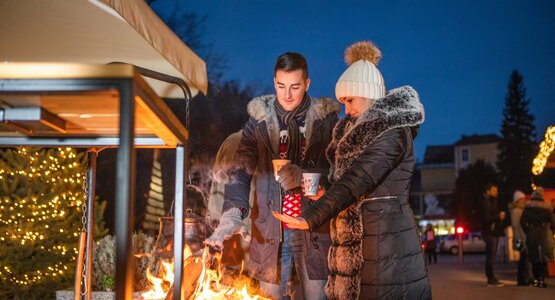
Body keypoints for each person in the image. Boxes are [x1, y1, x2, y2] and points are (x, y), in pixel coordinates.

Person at [274, 41, 431, 299]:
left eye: (350, 100)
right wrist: (324, 193)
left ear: (368, 94)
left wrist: (312, 216)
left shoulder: (393, 133)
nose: (346, 109)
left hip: (386, 250)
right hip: (364, 249)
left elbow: (356, 180)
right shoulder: (354, 135)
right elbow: (347, 185)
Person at [205, 52, 340, 299]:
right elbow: (240, 169)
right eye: (281, 86)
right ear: (274, 82)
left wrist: (310, 176)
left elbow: (339, 171)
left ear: (307, 84)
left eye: (295, 87)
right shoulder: (258, 124)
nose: (287, 95)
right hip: (270, 232)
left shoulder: (326, 123)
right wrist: (233, 214)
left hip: (314, 231)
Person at [520, 187, 555, 288]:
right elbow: (553, 223)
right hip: (544, 233)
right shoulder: (547, 209)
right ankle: (541, 280)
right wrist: (551, 230)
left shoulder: (527, 208)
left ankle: (535, 279)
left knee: (534, 257)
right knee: (543, 257)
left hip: (532, 233)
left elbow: (522, 222)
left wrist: (528, 230)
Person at [479, 183, 506, 287]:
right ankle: (491, 279)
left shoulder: (491, 201)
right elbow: (486, 218)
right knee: (491, 256)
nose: (496, 192)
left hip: (492, 231)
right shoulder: (486, 202)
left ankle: (492, 278)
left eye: (497, 190)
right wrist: (498, 217)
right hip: (489, 232)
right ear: (488, 191)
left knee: (491, 256)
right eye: (494, 190)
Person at [509, 190, 533, 286]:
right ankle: (521, 279)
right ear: (517, 200)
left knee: (525, 259)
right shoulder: (516, 211)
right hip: (521, 238)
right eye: (522, 199)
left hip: (524, 237)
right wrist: (520, 239)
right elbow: (515, 226)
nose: (524, 200)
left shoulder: (521, 210)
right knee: (523, 259)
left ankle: (525, 278)